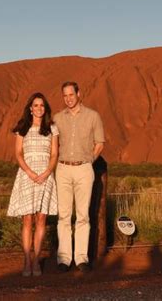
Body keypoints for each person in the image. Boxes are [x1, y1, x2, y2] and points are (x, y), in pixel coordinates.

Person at [53, 81, 105, 273]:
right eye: (65, 96)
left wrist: (89, 161)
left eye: (71, 95)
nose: (68, 99)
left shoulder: (93, 116)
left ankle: (81, 258)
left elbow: (99, 142)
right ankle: (64, 259)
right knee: (64, 215)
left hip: (84, 168)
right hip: (63, 168)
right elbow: (53, 145)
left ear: (79, 94)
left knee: (83, 215)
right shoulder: (57, 118)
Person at [7, 92, 59, 277]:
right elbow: (18, 153)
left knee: (42, 218)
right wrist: (29, 172)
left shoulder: (52, 128)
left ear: (45, 109)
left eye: (42, 105)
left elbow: (54, 154)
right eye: (36, 105)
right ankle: (27, 259)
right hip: (27, 174)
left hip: (45, 175)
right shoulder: (23, 127)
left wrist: (46, 173)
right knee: (28, 219)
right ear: (30, 108)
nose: (39, 108)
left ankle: (37, 259)